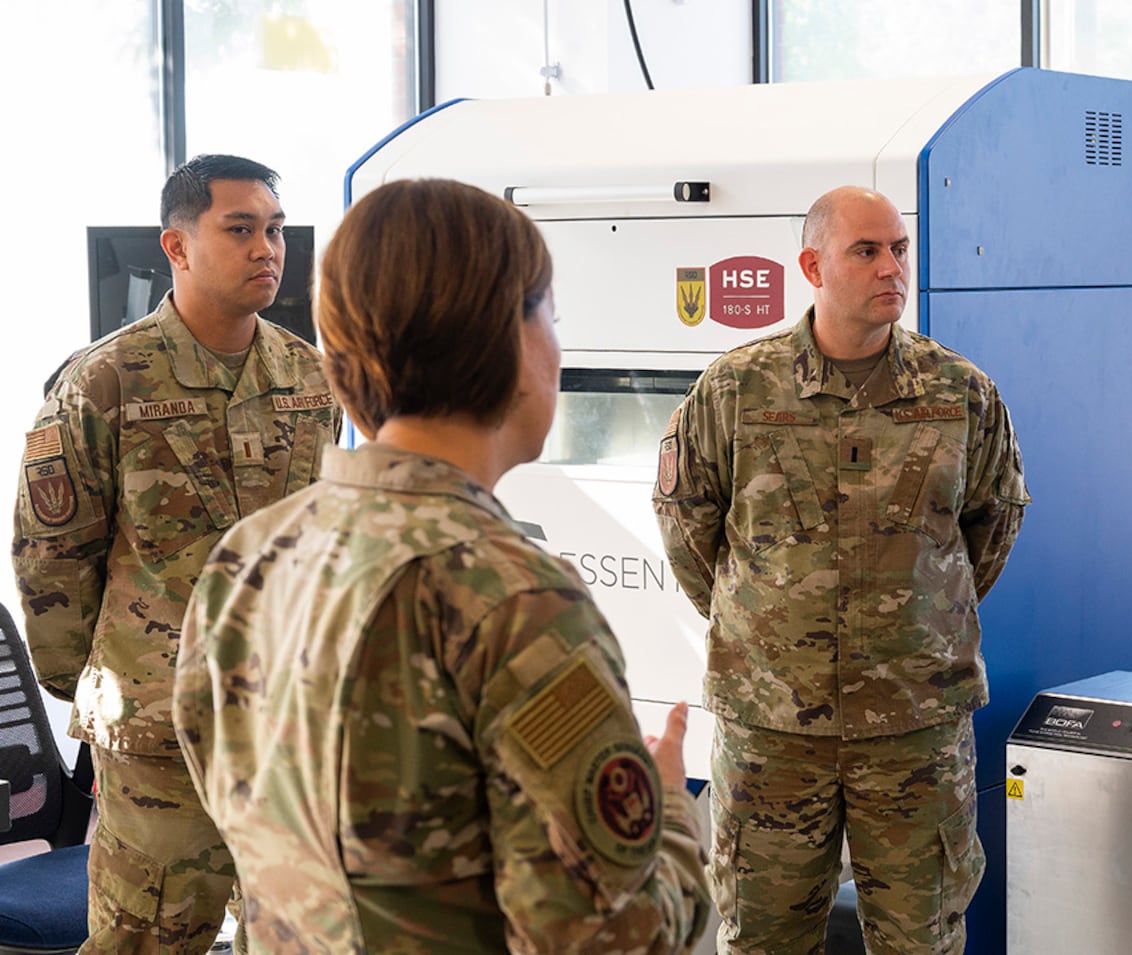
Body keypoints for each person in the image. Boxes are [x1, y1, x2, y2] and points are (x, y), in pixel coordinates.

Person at [173, 178, 711, 953]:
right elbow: (611, 940)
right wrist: (671, 827)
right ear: (511, 337)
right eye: (551, 316)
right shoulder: (513, 598)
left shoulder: (247, 557)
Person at [653, 185, 1030, 953]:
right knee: (764, 935)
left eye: (900, 249)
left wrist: (916, 618)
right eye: (867, 250)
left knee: (920, 938)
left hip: (914, 730)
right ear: (812, 266)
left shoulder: (959, 392)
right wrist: (763, 627)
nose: (892, 266)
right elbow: (685, 520)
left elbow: (992, 524)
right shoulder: (737, 389)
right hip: (773, 732)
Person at [12, 153, 340, 954]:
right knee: (148, 941)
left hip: (286, 722)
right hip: (159, 736)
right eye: (240, 229)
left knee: (303, 937)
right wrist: (105, 690)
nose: (267, 248)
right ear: (178, 246)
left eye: (276, 230)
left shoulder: (310, 379)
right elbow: (52, 561)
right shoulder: (104, 382)